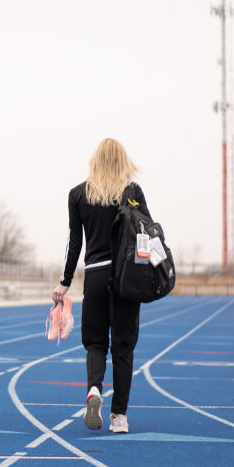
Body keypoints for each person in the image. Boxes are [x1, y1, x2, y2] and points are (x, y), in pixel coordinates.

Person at [52, 138, 150, 434]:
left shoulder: (78, 194)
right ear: (123, 161)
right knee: (123, 347)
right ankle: (118, 416)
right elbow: (146, 233)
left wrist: (65, 281)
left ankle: (94, 389)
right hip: (124, 278)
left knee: (95, 343)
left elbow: (75, 242)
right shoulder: (131, 193)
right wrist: (144, 273)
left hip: (94, 277)